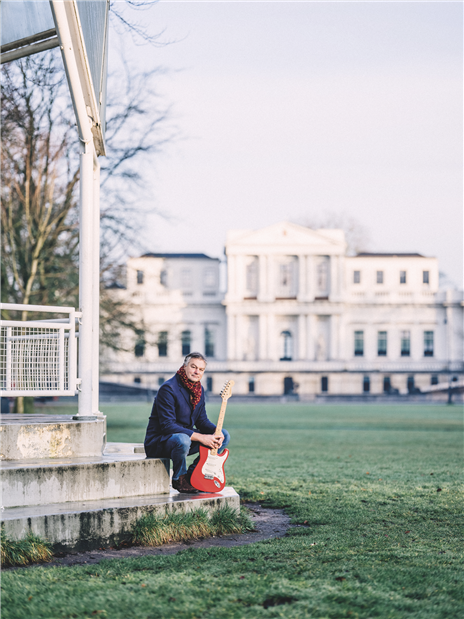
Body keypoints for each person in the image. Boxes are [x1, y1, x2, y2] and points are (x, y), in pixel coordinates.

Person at [144, 352, 231, 493]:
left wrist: (217, 430)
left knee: (224, 435)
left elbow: (201, 420)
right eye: (193, 367)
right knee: (183, 439)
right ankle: (179, 478)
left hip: (183, 439)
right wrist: (202, 437)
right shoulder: (168, 389)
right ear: (184, 366)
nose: (197, 372)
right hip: (160, 442)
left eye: (201, 369)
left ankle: (194, 474)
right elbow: (168, 426)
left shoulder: (199, 390)